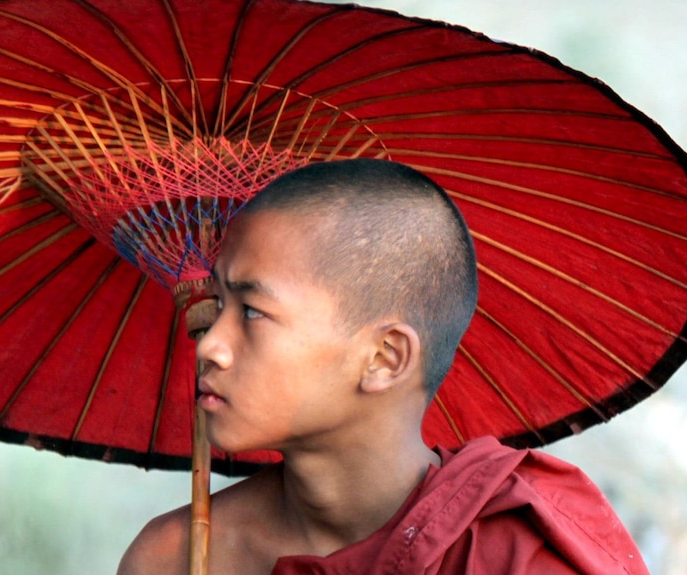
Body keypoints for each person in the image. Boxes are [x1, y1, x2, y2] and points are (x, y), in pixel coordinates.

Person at [117, 159, 649, 574]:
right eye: (219, 305)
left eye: (253, 311)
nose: (211, 346)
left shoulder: (520, 554)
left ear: (384, 358)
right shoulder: (176, 558)